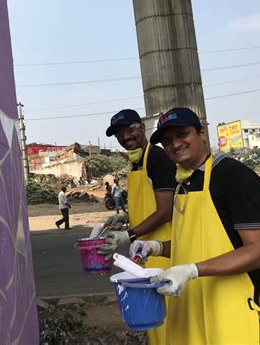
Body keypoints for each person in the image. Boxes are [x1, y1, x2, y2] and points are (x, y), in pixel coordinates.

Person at [130, 107, 260, 344]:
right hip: (188, 306)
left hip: (228, 310)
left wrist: (192, 270)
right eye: (167, 141)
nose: (175, 144)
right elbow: (194, 243)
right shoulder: (183, 182)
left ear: (202, 134)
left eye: (182, 134)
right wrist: (155, 247)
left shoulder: (233, 176)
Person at [98, 109, 177, 344]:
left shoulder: (157, 159)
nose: (125, 136)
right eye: (119, 133)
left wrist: (128, 234)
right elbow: (148, 204)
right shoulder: (135, 164)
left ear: (142, 127)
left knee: (169, 318)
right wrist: (125, 218)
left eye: (130, 128)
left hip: (161, 250)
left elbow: (165, 210)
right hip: (143, 252)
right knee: (152, 321)